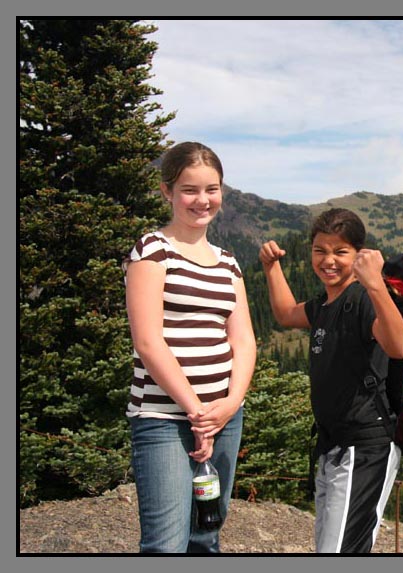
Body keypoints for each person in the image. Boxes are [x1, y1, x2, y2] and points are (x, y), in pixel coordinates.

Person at [123, 141, 256, 553]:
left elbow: (244, 340)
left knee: (206, 535)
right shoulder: (152, 251)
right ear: (168, 192)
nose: (203, 200)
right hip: (163, 417)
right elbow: (148, 341)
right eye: (189, 190)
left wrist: (230, 404)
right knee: (166, 544)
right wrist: (197, 413)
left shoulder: (228, 261)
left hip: (224, 418)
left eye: (211, 189)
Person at [259, 208, 403, 553]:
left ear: (359, 254)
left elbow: (397, 346)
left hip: (365, 448)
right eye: (320, 250)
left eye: (341, 252)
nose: (329, 261)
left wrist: (375, 285)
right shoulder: (326, 303)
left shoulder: (363, 299)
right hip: (333, 447)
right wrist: (271, 267)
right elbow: (284, 312)